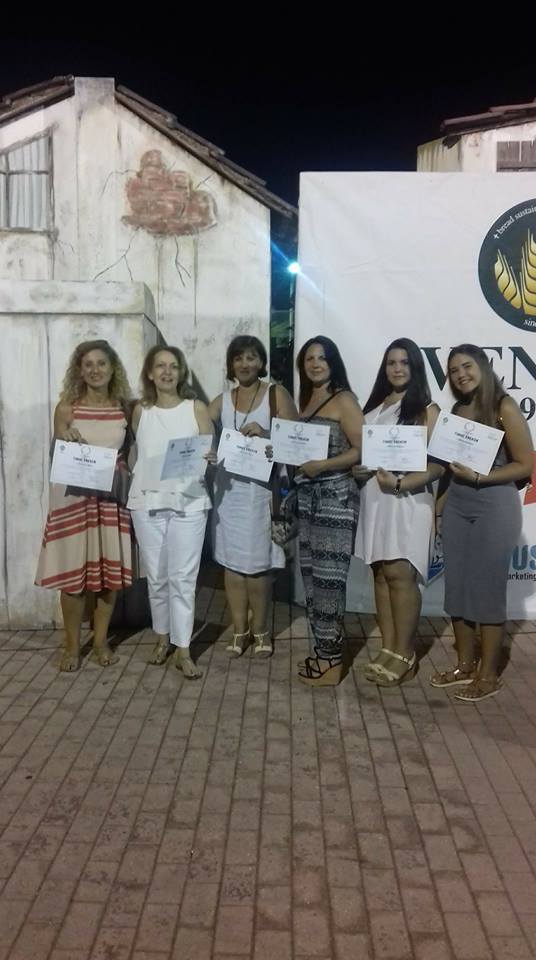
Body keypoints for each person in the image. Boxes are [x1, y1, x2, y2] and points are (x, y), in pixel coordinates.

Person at [430, 344, 533, 702]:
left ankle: (488, 675)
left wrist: (480, 477)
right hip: (457, 504)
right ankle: (464, 665)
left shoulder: (504, 406)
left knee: (486, 590)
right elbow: (448, 469)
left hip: (495, 503)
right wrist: (439, 510)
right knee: (457, 588)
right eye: (454, 370)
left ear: (484, 366)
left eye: (467, 366)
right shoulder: (456, 411)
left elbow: (525, 464)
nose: (461, 374)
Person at [36, 340, 133, 671]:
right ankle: (72, 646)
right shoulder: (67, 408)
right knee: (73, 580)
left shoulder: (123, 408)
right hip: (74, 500)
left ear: (113, 368)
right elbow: (56, 454)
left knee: (107, 579)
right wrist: (64, 439)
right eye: (88, 364)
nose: (95, 370)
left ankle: (101, 641)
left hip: (109, 500)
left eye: (101, 363)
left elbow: (130, 453)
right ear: (79, 370)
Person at [354, 338, 442, 686]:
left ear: (415, 367)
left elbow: (438, 466)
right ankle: (389, 648)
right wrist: (358, 470)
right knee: (380, 574)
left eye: (404, 362)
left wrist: (401, 483)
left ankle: (405, 653)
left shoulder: (427, 409)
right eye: (391, 362)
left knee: (400, 575)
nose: (397, 368)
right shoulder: (373, 408)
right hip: (375, 499)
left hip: (408, 501)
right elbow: (365, 457)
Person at [209, 335, 297, 658]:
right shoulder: (222, 400)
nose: (244, 364)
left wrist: (268, 434)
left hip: (262, 495)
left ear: (261, 362)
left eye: (251, 357)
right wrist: (206, 448)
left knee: (259, 569)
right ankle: (239, 630)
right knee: (232, 566)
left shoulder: (276, 394)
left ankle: (261, 629)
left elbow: (298, 439)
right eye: (238, 358)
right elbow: (198, 426)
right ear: (231, 364)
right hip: (229, 495)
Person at [128, 346, 214, 679]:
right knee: (157, 575)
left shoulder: (196, 409)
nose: (167, 372)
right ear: (150, 373)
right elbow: (137, 452)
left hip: (188, 502)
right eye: (160, 366)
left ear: (181, 372)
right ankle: (162, 638)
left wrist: (212, 458)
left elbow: (208, 453)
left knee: (183, 578)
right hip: (147, 501)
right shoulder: (140, 411)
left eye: (173, 366)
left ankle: (183, 649)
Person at [294, 336, 363, 686]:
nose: (315, 364)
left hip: (335, 500)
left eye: (322, 358)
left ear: (333, 362)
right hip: (308, 501)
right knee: (312, 579)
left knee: (329, 580)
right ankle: (323, 653)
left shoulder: (344, 399)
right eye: (309, 359)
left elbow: (361, 449)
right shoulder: (306, 400)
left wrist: (322, 465)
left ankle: (332, 661)